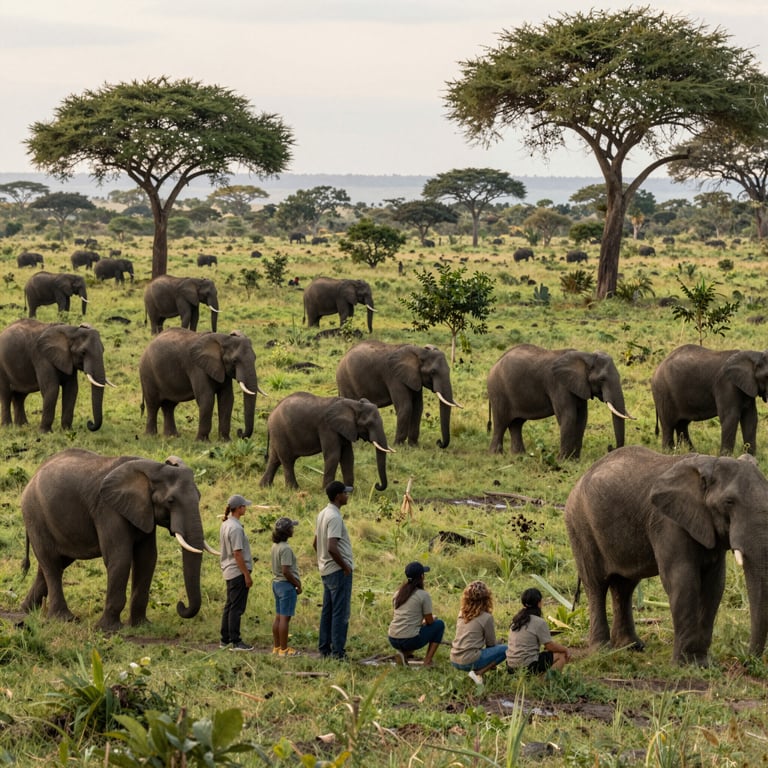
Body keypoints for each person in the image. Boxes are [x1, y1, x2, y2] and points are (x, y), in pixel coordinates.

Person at [313, 480, 354, 660]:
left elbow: (316, 543)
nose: (347, 496)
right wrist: (345, 567)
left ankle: (324, 649)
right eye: (345, 493)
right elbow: (332, 547)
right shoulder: (335, 517)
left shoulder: (323, 513)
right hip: (337, 571)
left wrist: (322, 560)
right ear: (338, 496)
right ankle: (338, 652)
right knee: (340, 613)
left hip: (326, 569)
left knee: (328, 611)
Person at [388, 561, 445, 667]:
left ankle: (403, 655)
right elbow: (429, 621)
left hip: (392, 638)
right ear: (422, 576)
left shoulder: (398, 594)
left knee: (412, 631)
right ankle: (427, 661)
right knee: (439, 625)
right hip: (409, 640)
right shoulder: (423, 595)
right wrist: (432, 618)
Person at [450, 580, 507, 684]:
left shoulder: (461, 613)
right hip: (468, 660)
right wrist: (498, 645)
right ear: (487, 599)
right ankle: (478, 673)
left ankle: (477, 672)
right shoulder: (487, 617)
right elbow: (491, 644)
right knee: (506, 649)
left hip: (454, 658)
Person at [506, 587, 571, 674]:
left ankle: (534, 678)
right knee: (561, 654)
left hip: (510, 666)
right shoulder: (539, 622)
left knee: (544, 655)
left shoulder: (516, 620)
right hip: (527, 665)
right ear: (539, 603)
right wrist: (565, 649)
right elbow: (550, 646)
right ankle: (547, 680)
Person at [219, 494, 255, 651]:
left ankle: (225, 639)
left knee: (230, 605)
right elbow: (237, 553)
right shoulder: (236, 528)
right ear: (239, 508)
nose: (245, 508)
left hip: (228, 570)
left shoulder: (226, 524)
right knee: (236, 608)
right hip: (237, 572)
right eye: (244, 506)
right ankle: (235, 641)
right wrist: (246, 574)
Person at [271, 516, 302, 657]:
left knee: (278, 617)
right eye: (291, 528)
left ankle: (277, 647)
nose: (293, 529)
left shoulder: (275, 546)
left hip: (276, 584)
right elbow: (286, 571)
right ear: (287, 531)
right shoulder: (286, 549)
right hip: (286, 585)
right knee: (285, 619)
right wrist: (297, 584)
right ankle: (284, 650)